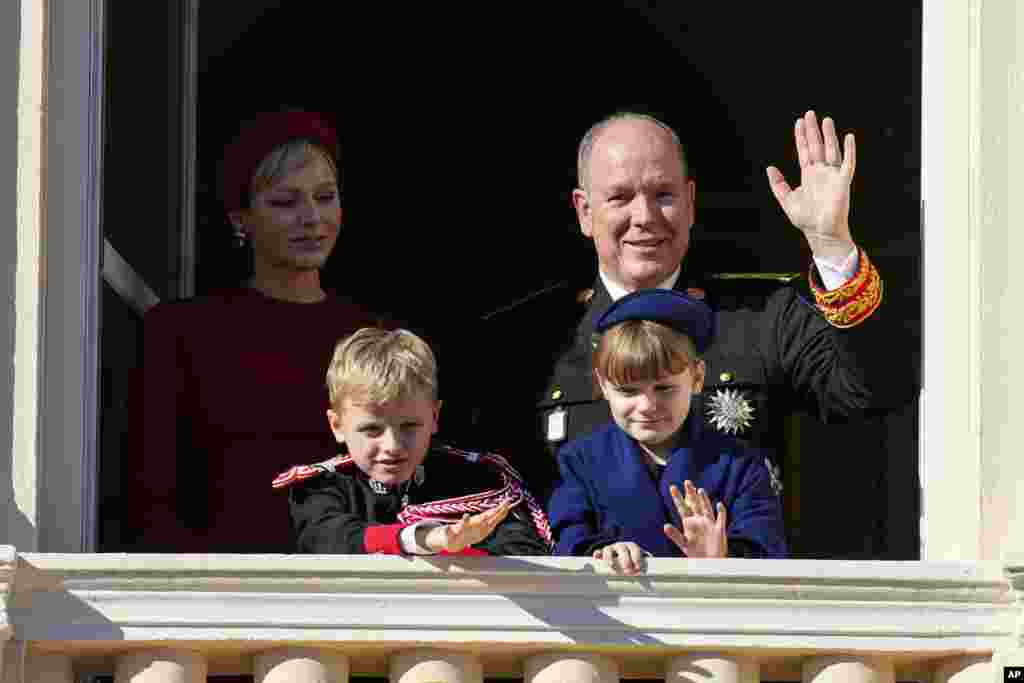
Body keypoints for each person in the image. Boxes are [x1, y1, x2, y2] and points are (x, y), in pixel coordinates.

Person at [466, 110, 913, 558]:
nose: (644, 216)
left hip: (734, 611)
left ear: (691, 201)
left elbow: (875, 392)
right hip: (584, 614)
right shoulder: (524, 340)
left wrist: (831, 245)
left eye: (663, 195)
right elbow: (487, 497)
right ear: (585, 211)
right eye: (620, 197)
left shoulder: (760, 317)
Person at [126, 111, 387, 553]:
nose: (311, 217)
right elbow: (151, 501)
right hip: (224, 595)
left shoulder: (372, 337)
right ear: (239, 219)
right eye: (285, 203)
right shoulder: (183, 333)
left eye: (325, 197)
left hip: (353, 588)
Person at [548, 288, 787, 574]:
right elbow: (567, 539)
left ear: (697, 377)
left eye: (664, 388)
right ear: (602, 386)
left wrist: (722, 557)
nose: (647, 405)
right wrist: (603, 553)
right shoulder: (580, 461)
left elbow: (767, 549)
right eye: (628, 391)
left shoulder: (740, 465)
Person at [274, 327, 551, 555]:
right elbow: (328, 539)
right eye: (372, 429)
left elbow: (524, 549)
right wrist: (424, 539)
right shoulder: (319, 488)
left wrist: (459, 548)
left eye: (409, 426)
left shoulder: (474, 482)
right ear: (337, 426)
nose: (393, 445)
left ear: (434, 416)